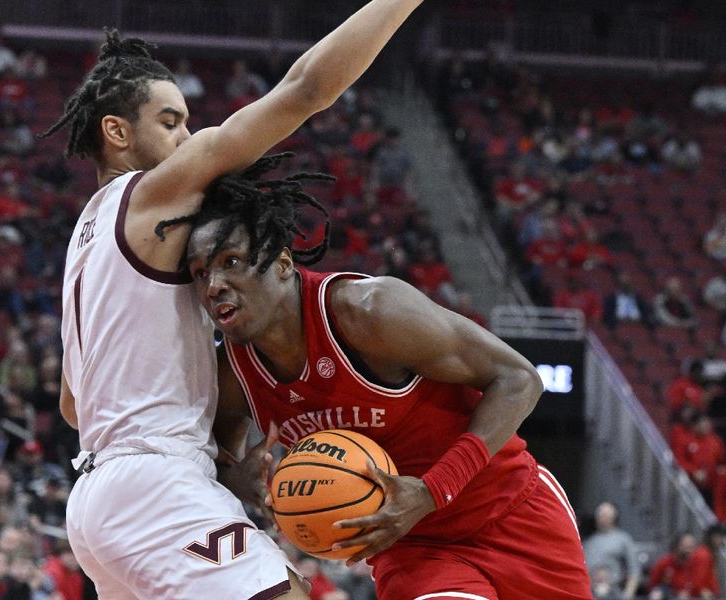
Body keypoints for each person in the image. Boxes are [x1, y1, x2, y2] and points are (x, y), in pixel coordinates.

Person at [38, 1, 427, 596]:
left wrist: (215, 460)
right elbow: (307, 88)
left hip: (97, 499)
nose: (189, 139)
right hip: (152, 487)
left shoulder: (82, 245)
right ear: (117, 132)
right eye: (171, 123)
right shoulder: (150, 197)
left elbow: (75, 405)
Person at [183, 155, 592, 599]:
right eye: (201, 273)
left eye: (232, 261)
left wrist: (432, 491)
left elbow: (519, 379)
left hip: (512, 512)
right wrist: (237, 479)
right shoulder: (234, 373)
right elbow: (214, 458)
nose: (214, 285)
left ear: (282, 263)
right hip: (414, 549)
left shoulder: (369, 312)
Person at [582, 502, 641, 599]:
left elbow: (634, 571)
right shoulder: (588, 542)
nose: (603, 516)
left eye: (606, 514)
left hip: (615, 594)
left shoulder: (623, 539)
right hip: (591, 594)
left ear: (614, 516)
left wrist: (627, 595)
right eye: (601, 514)